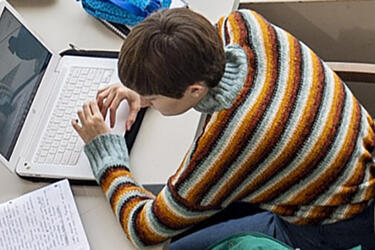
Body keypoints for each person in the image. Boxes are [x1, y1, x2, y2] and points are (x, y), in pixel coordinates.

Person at [72, 7, 375, 250]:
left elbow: (144, 229)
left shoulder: (230, 143)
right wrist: (145, 87)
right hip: (349, 163)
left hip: (334, 226)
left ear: (194, 90)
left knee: (175, 246)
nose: (147, 100)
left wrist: (106, 154)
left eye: (153, 97)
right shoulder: (242, 26)